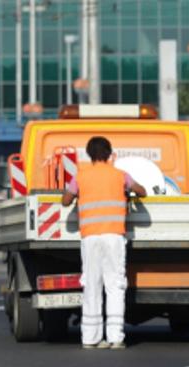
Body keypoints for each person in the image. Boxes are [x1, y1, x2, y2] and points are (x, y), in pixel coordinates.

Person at [61, 135, 147, 350]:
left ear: (89, 155)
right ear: (110, 154)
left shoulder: (81, 176)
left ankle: (90, 338)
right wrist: (127, 193)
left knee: (91, 284)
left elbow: (65, 200)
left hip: (90, 237)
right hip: (114, 236)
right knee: (115, 285)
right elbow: (142, 191)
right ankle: (115, 337)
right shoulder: (120, 175)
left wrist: (75, 194)